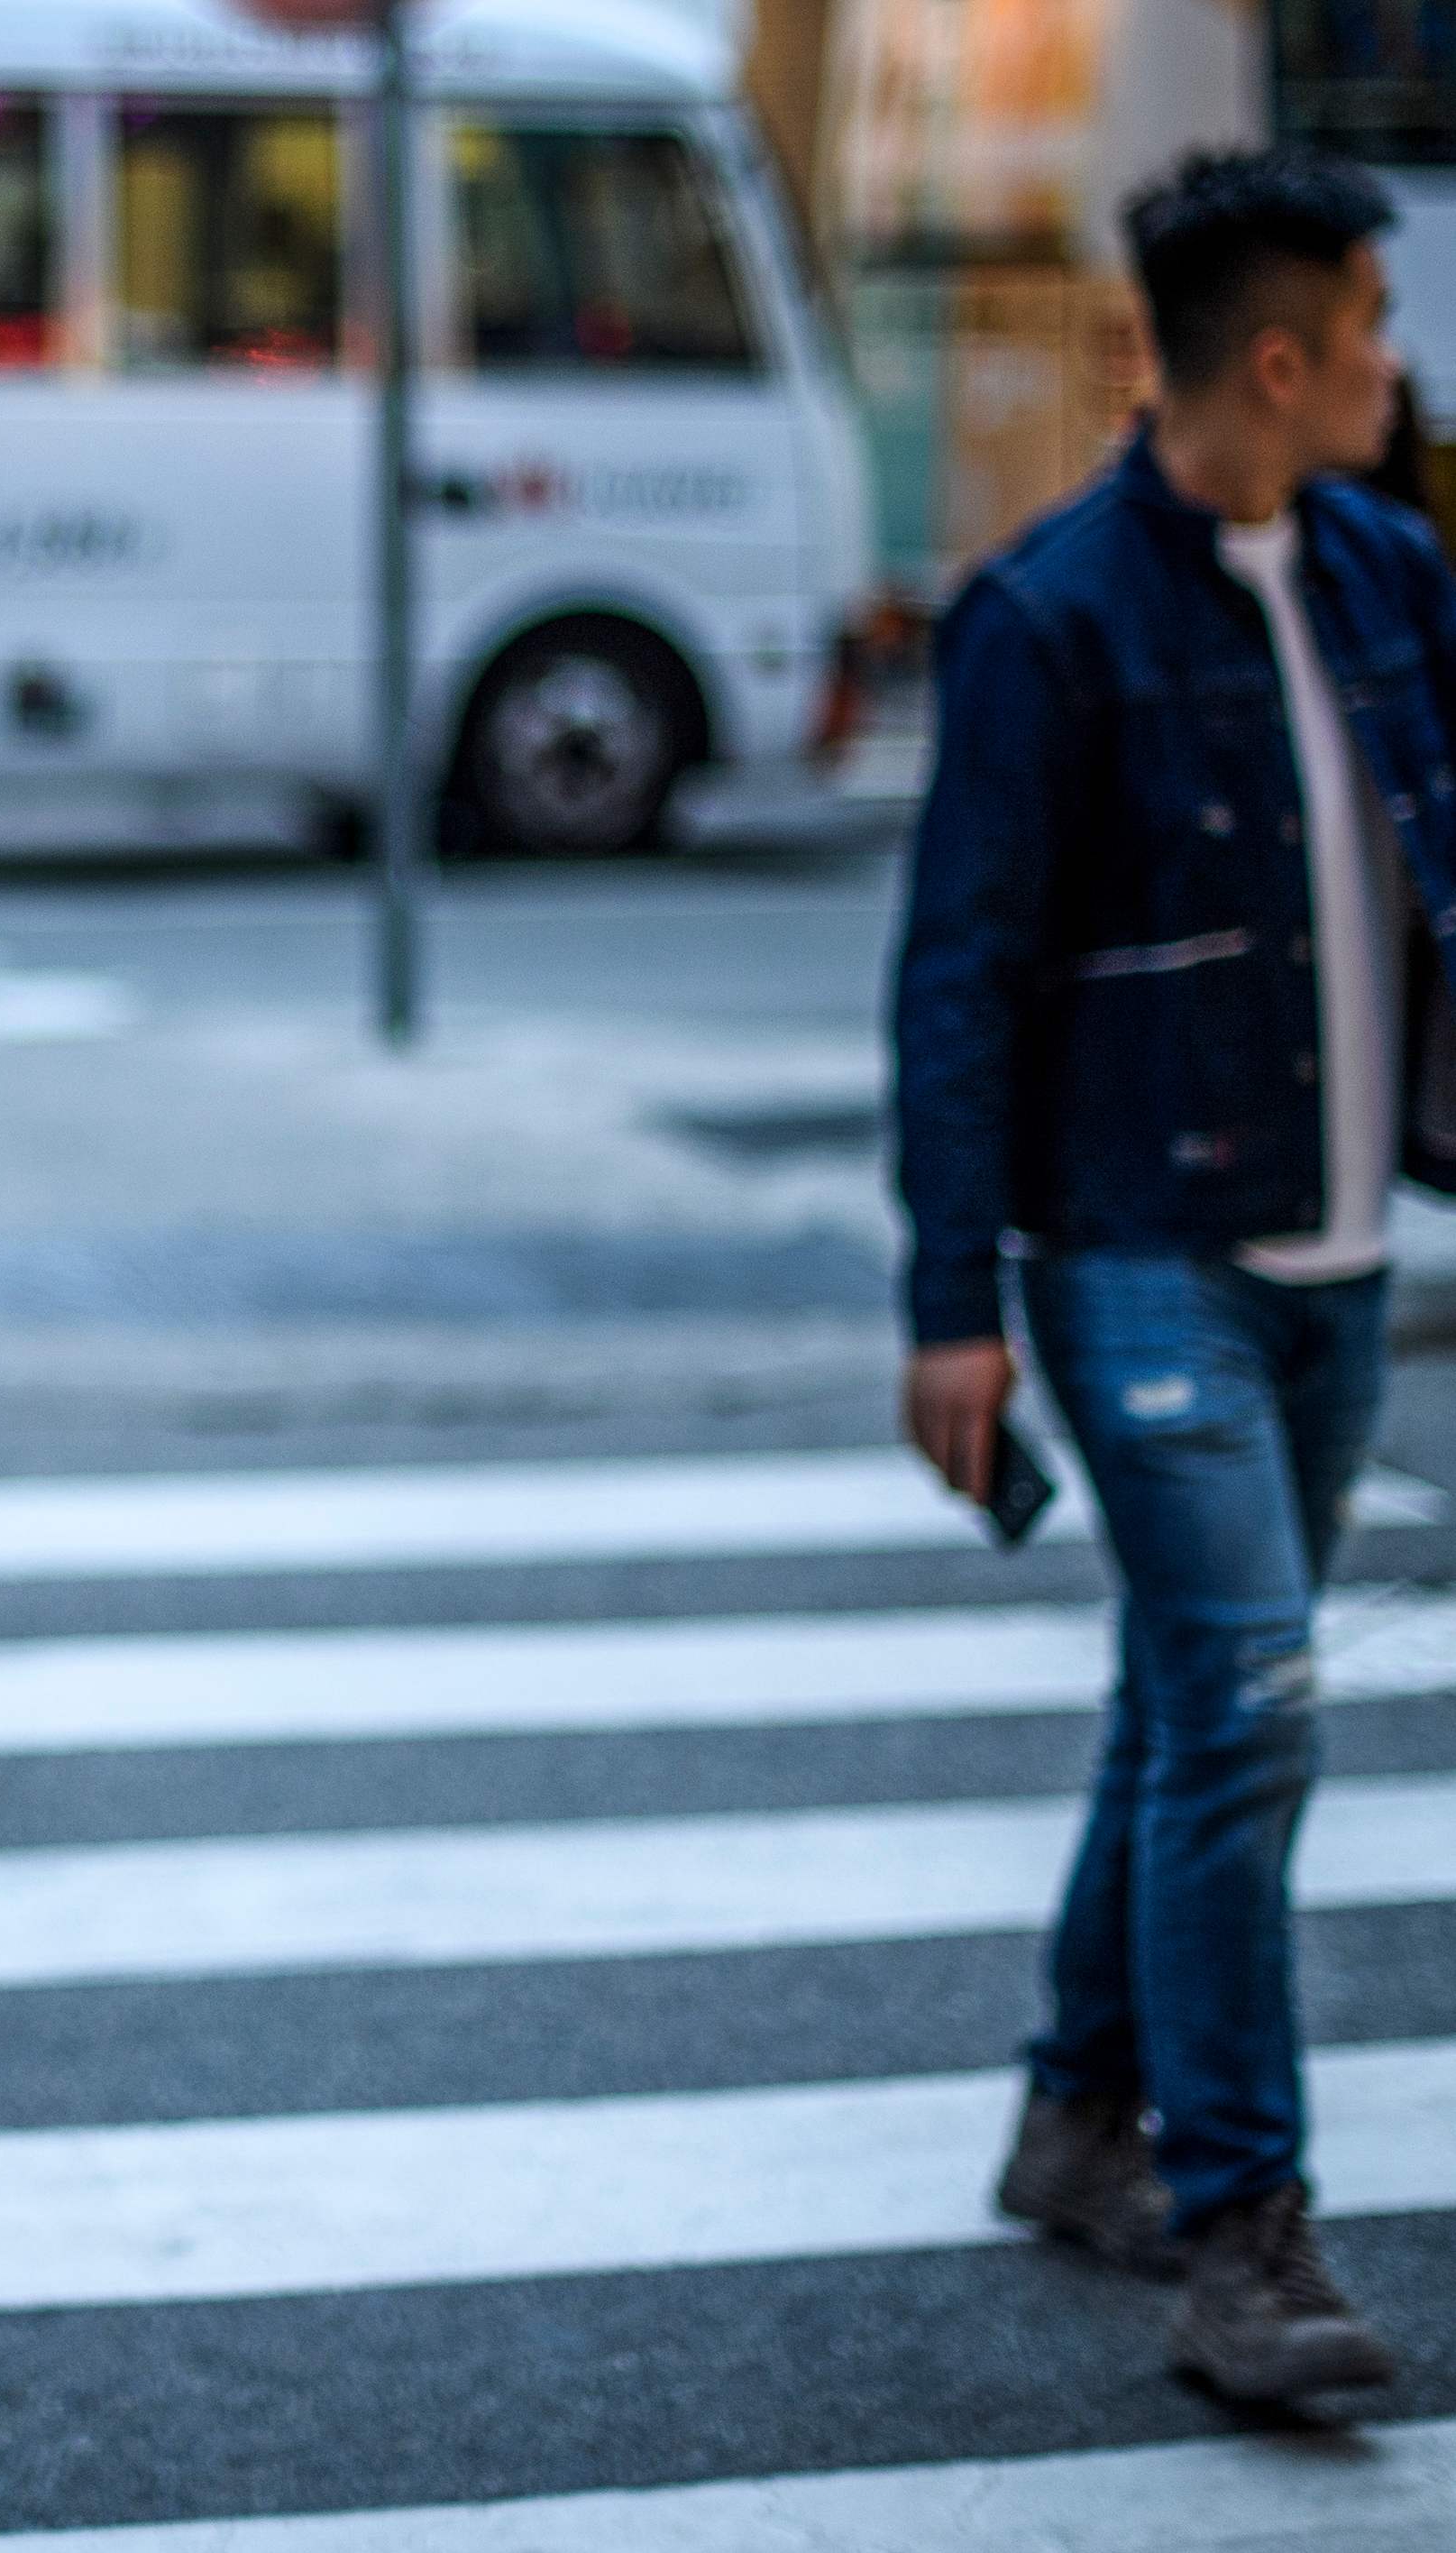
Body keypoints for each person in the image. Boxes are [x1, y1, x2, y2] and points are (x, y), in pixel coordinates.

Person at [894, 146, 1446, 2407]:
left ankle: (1071, 2108)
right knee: (1247, 1706)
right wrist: (947, 1301)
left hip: (1333, 1259)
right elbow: (960, 975)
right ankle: (1242, 2229)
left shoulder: (1390, 573)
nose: (1402, 373)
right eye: (1377, 332)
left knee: (1188, 1701)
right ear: (1286, 354)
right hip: (1137, 1253)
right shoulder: (1049, 619)